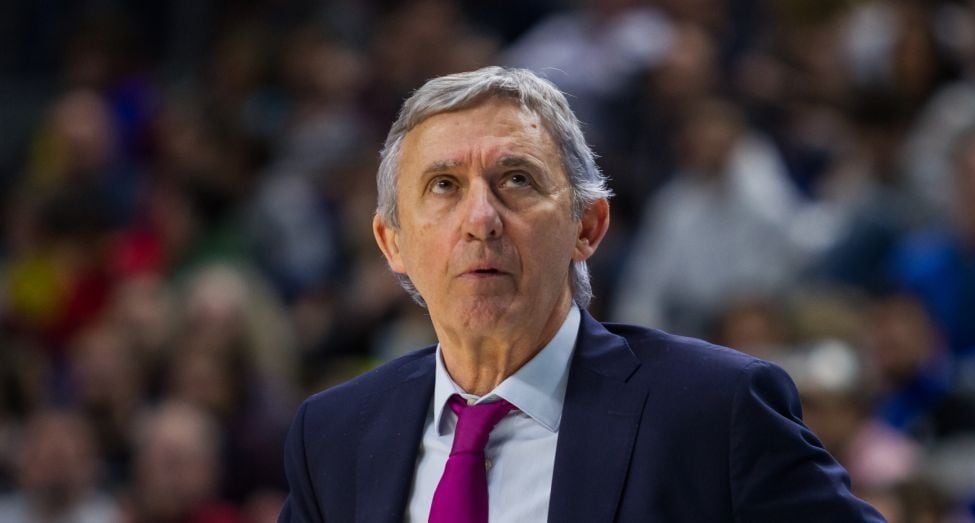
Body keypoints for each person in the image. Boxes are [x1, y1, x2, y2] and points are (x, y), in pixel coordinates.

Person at [278, 66, 883, 522]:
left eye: (517, 179)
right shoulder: (334, 436)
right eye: (444, 185)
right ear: (393, 243)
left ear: (587, 227)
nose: (481, 218)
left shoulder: (715, 411)